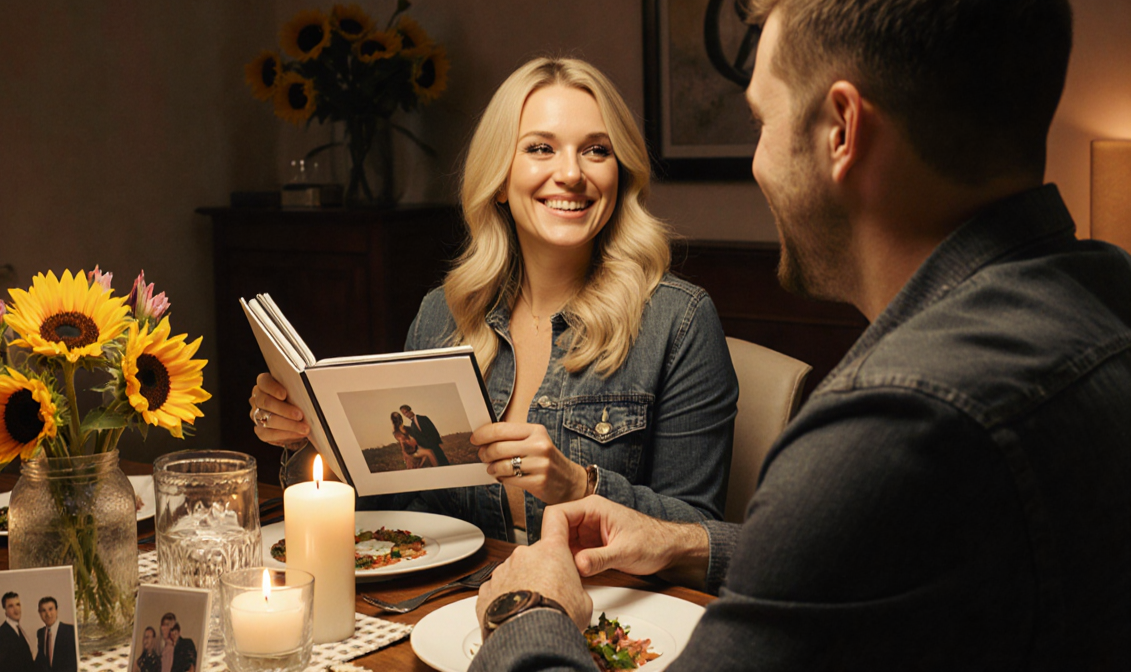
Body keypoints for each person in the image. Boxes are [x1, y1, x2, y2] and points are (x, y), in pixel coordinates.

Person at [468, 0, 1131, 668]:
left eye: (760, 119)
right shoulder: (1107, 301)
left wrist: (528, 608)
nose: (757, 159)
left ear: (841, 129)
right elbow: (879, 565)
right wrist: (689, 544)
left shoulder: (896, 426)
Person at [250, 57, 738, 543]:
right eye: (541, 148)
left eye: (596, 150)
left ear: (620, 174)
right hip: (451, 599)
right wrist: (312, 438)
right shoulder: (441, 314)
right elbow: (397, 506)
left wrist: (579, 486)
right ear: (500, 179)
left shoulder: (678, 321)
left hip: (605, 603)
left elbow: (697, 532)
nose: (570, 173)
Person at [0, 591, 35, 672]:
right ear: (5, 611)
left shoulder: (20, 630)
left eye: (18, 604)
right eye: (11, 606)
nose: (16, 609)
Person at [34, 596, 76, 672]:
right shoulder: (40, 633)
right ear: (39, 613)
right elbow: (40, 662)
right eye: (43, 610)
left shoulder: (70, 631)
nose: (48, 614)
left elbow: (74, 663)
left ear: (56, 610)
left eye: (50, 609)